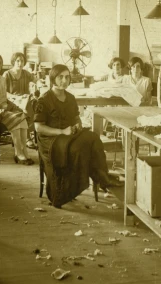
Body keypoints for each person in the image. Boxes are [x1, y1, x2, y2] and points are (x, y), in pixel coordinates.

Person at [34, 64, 117, 208]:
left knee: (93, 138)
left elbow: (76, 118)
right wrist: (61, 132)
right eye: (60, 77)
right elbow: (38, 127)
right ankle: (67, 191)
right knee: (77, 149)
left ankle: (103, 178)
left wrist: (77, 124)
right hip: (50, 139)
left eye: (67, 77)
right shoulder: (44, 99)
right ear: (53, 78)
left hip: (68, 134)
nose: (64, 81)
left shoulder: (71, 98)